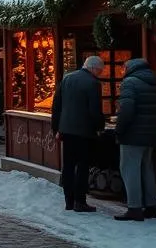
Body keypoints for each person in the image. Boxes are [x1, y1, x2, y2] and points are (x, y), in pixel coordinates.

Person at [51, 55, 105, 213]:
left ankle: (68, 201)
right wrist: (99, 127)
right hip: (84, 131)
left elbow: (57, 105)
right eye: (100, 70)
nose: (100, 73)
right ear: (93, 68)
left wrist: (56, 128)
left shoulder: (67, 78)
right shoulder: (93, 83)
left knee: (68, 166)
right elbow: (95, 111)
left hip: (66, 130)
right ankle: (80, 201)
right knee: (82, 166)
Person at [113, 58, 156, 221]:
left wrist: (119, 129)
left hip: (133, 134)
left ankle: (134, 207)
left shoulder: (130, 83)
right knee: (147, 169)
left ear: (129, 68)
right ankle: (150, 206)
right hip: (151, 133)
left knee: (130, 170)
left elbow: (126, 110)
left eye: (123, 68)